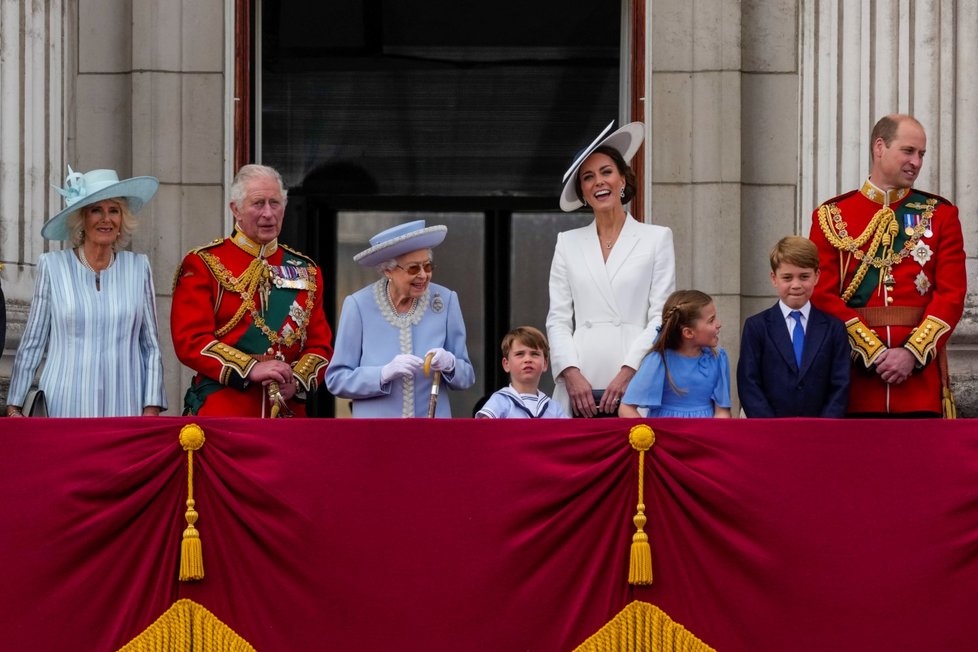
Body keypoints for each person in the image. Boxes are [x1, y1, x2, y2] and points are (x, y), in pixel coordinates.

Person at [808, 114, 966, 417]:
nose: (916, 162)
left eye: (921, 154)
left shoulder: (940, 215)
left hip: (918, 385)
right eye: (908, 151)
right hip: (854, 383)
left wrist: (911, 353)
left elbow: (951, 295)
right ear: (879, 147)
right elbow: (821, 295)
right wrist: (873, 352)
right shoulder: (831, 216)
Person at [171, 164, 334, 417]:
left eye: (275, 203)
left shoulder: (307, 270)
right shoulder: (204, 263)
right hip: (224, 412)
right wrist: (250, 369)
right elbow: (190, 341)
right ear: (235, 210)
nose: (268, 213)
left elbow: (320, 346)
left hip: (287, 416)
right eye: (258, 203)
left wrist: (297, 381)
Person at [5, 167, 167, 417]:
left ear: (122, 219)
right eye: (96, 210)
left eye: (114, 210)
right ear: (82, 219)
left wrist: (151, 407)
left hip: (124, 407)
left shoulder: (138, 268)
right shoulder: (53, 266)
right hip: (64, 406)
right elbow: (33, 342)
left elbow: (151, 346)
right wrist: (15, 405)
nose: (106, 219)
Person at [548, 121, 676, 418]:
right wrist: (570, 372)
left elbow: (661, 315)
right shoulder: (567, 243)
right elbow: (558, 319)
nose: (599, 182)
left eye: (606, 172)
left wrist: (629, 371)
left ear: (622, 180)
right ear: (582, 191)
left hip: (637, 377)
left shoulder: (656, 238)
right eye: (588, 177)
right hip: (580, 381)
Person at [325, 220, 475, 417]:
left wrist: (451, 365)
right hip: (377, 433)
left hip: (430, 432)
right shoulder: (358, 305)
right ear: (388, 270)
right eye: (413, 268)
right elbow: (337, 380)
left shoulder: (445, 300)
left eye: (428, 267)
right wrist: (383, 374)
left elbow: (467, 377)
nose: (423, 275)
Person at [737, 236, 850, 417]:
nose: (796, 285)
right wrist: (770, 428)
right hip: (770, 432)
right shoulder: (756, 327)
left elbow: (840, 384)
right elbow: (749, 382)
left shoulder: (834, 328)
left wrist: (824, 427)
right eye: (787, 278)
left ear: (817, 276)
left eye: (804, 277)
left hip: (820, 432)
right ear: (774, 279)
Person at [618, 290, 731, 418]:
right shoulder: (658, 360)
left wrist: (712, 436)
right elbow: (626, 408)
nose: (719, 324)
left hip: (704, 434)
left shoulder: (718, 358)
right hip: (666, 434)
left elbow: (722, 411)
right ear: (688, 333)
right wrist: (646, 435)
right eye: (711, 320)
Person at [476, 326, 567, 419]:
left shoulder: (554, 407)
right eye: (520, 354)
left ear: (545, 364)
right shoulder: (499, 400)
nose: (528, 359)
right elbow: (484, 430)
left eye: (534, 354)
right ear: (506, 364)